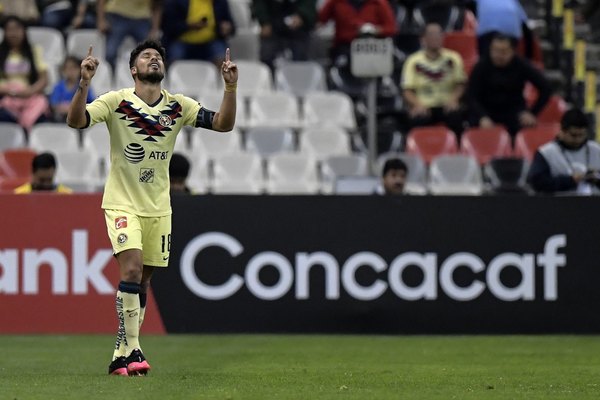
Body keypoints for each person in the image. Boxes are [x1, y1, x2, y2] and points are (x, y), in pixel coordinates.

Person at [66, 40, 237, 376]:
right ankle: (134, 351)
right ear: (134, 69)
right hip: (121, 202)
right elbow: (76, 121)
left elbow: (223, 124)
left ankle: (121, 354)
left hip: (158, 207)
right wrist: (84, 82)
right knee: (129, 271)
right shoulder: (117, 102)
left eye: (158, 56)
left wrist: (230, 86)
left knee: (142, 283)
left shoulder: (178, 106)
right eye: (146, 56)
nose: (154, 58)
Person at [466, 33, 551, 137]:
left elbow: (546, 88)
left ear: (512, 51)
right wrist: (482, 116)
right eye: (495, 50)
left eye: (503, 52)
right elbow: (471, 96)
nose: (498, 55)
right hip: (486, 110)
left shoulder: (521, 64)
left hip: (513, 110)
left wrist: (532, 113)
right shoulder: (481, 66)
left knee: (526, 126)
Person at [401, 22, 467, 137]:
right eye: (431, 35)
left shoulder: (454, 58)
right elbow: (407, 90)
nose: (436, 38)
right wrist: (417, 105)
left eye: (439, 34)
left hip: (447, 105)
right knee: (415, 120)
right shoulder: (413, 61)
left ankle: (458, 151)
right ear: (423, 39)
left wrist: (454, 99)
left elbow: (461, 84)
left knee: (457, 117)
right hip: (424, 106)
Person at [527, 108, 600, 196]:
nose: (578, 139)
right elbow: (537, 184)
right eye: (573, 135)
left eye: (581, 135)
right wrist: (570, 180)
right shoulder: (546, 153)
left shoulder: (596, 150)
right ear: (562, 131)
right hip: (558, 206)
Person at [0, 15, 50, 132]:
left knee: (42, 115)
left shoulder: (34, 51)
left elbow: (44, 79)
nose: (14, 33)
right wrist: (10, 92)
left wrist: (30, 91)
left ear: (24, 31)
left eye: (17, 29)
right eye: (9, 30)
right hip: (5, 96)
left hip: (28, 94)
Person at [161, 0, 235, 66]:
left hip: (212, 41)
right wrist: (189, 26)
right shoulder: (177, 2)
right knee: (174, 60)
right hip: (182, 41)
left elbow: (232, 27)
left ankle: (219, 81)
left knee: (223, 60)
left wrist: (227, 28)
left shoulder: (220, 2)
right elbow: (168, 27)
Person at [253, 0, 317, 71]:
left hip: (298, 30)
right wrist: (264, 21)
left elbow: (309, 4)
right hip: (272, 25)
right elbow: (259, 4)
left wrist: (302, 15)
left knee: (300, 62)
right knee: (267, 60)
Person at [96, 0, 162, 69]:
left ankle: (148, 78)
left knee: (151, 53)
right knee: (110, 53)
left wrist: (155, 29)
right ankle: (110, 77)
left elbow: (157, 5)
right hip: (117, 16)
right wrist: (101, 20)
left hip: (142, 19)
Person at [49, 55, 96, 122]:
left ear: (80, 70)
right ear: (63, 71)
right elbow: (54, 105)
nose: (71, 71)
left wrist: (73, 108)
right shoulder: (58, 87)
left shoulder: (84, 86)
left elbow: (91, 104)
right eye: (68, 68)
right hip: (61, 120)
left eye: (74, 68)